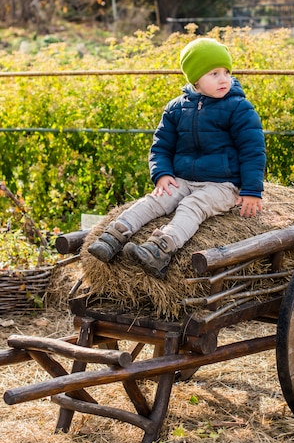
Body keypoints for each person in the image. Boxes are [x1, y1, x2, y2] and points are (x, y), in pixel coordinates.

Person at [88, 37, 266, 279]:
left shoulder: (239, 108)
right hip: (183, 178)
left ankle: (162, 248)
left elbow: (253, 149)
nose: (224, 79)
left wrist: (252, 190)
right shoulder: (176, 108)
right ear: (195, 80)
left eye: (226, 72)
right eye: (214, 73)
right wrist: (162, 173)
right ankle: (114, 235)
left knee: (192, 206)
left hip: (222, 184)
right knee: (157, 200)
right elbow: (161, 145)